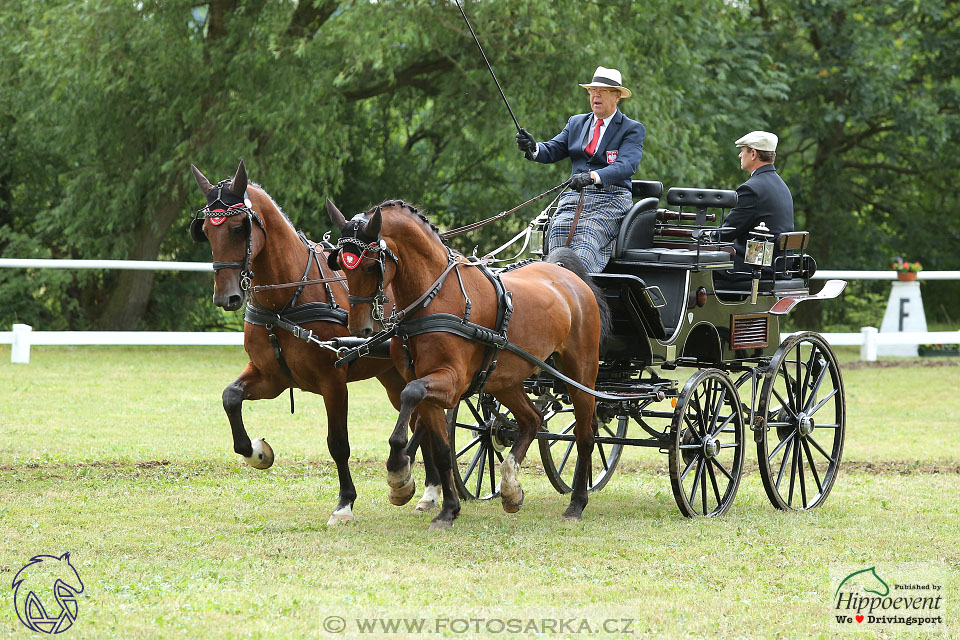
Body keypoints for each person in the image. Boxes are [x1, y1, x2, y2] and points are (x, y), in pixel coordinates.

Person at [516, 66, 645, 272]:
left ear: (617, 96)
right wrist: (533, 147)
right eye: (592, 90)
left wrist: (593, 176)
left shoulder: (631, 128)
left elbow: (627, 165)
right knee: (558, 229)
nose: (596, 95)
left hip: (611, 199)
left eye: (603, 90)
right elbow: (552, 149)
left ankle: (582, 291)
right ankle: (555, 286)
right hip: (575, 198)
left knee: (587, 234)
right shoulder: (576, 123)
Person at [714, 130, 794, 286]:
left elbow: (727, 233)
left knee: (696, 268)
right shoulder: (782, 186)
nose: (739, 155)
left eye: (742, 150)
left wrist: (700, 239)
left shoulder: (751, 189)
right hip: (778, 267)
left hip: (755, 270)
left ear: (753, 154)